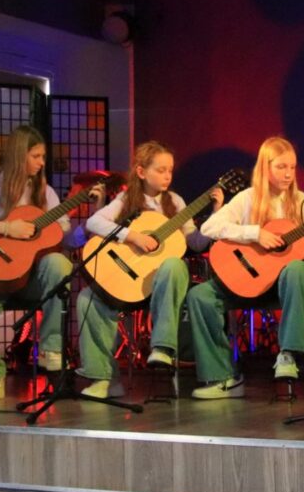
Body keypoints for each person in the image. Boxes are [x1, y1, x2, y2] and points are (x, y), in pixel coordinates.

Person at [186, 136, 304, 399]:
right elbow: (209, 227)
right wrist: (255, 234)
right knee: (200, 296)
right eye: (281, 167)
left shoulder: (301, 201)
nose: (288, 174)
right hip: (247, 282)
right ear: (265, 167)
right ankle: (223, 378)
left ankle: (287, 354)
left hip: (285, 287)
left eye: (292, 167)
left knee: (298, 269)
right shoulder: (247, 198)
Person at [0, 125, 96, 399]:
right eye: (36, 156)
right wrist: (7, 229)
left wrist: (91, 218)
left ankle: (51, 349)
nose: (42, 163)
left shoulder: (45, 192)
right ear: (20, 156)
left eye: (43, 157)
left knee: (59, 264)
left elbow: (65, 236)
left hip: (29, 280)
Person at [76, 141, 223, 398]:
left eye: (170, 170)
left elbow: (196, 243)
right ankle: (104, 379)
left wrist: (216, 213)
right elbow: (94, 222)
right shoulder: (126, 199)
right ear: (142, 172)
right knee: (87, 298)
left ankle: (163, 347)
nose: (167, 176)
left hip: (164, 284)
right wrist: (132, 236)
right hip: (132, 281)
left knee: (174, 264)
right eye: (161, 170)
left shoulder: (175, 201)